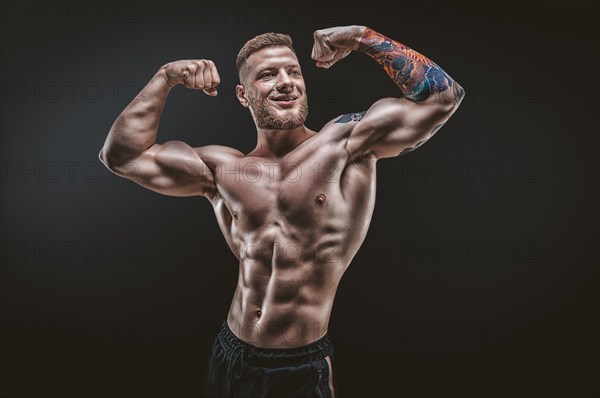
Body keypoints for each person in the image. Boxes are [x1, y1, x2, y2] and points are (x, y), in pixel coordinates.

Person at [99, 25, 465, 398]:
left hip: (298, 364)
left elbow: (443, 97)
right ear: (243, 95)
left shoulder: (346, 143)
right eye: (268, 75)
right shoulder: (221, 169)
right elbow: (122, 156)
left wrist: (361, 37)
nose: (286, 82)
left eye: (293, 72)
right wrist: (165, 78)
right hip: (230, 352)